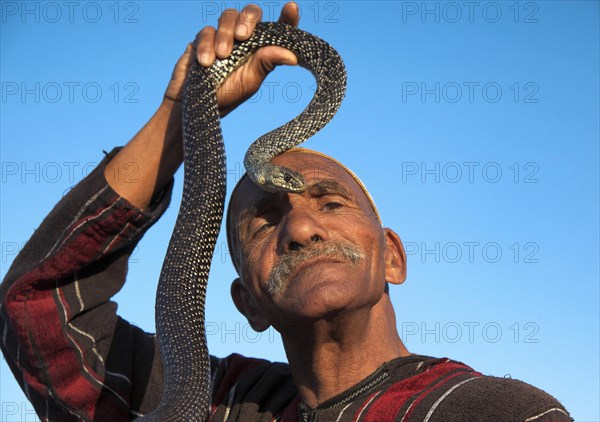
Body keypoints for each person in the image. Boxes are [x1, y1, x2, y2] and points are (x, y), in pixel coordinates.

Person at [0, 3, 571, 421]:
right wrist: (181, 116)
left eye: (329, 201)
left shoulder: (493, 411)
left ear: (393, 256)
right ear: (246, 302)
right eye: (265, 220)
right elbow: (36, 307)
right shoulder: (216, 401)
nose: (300, 226)